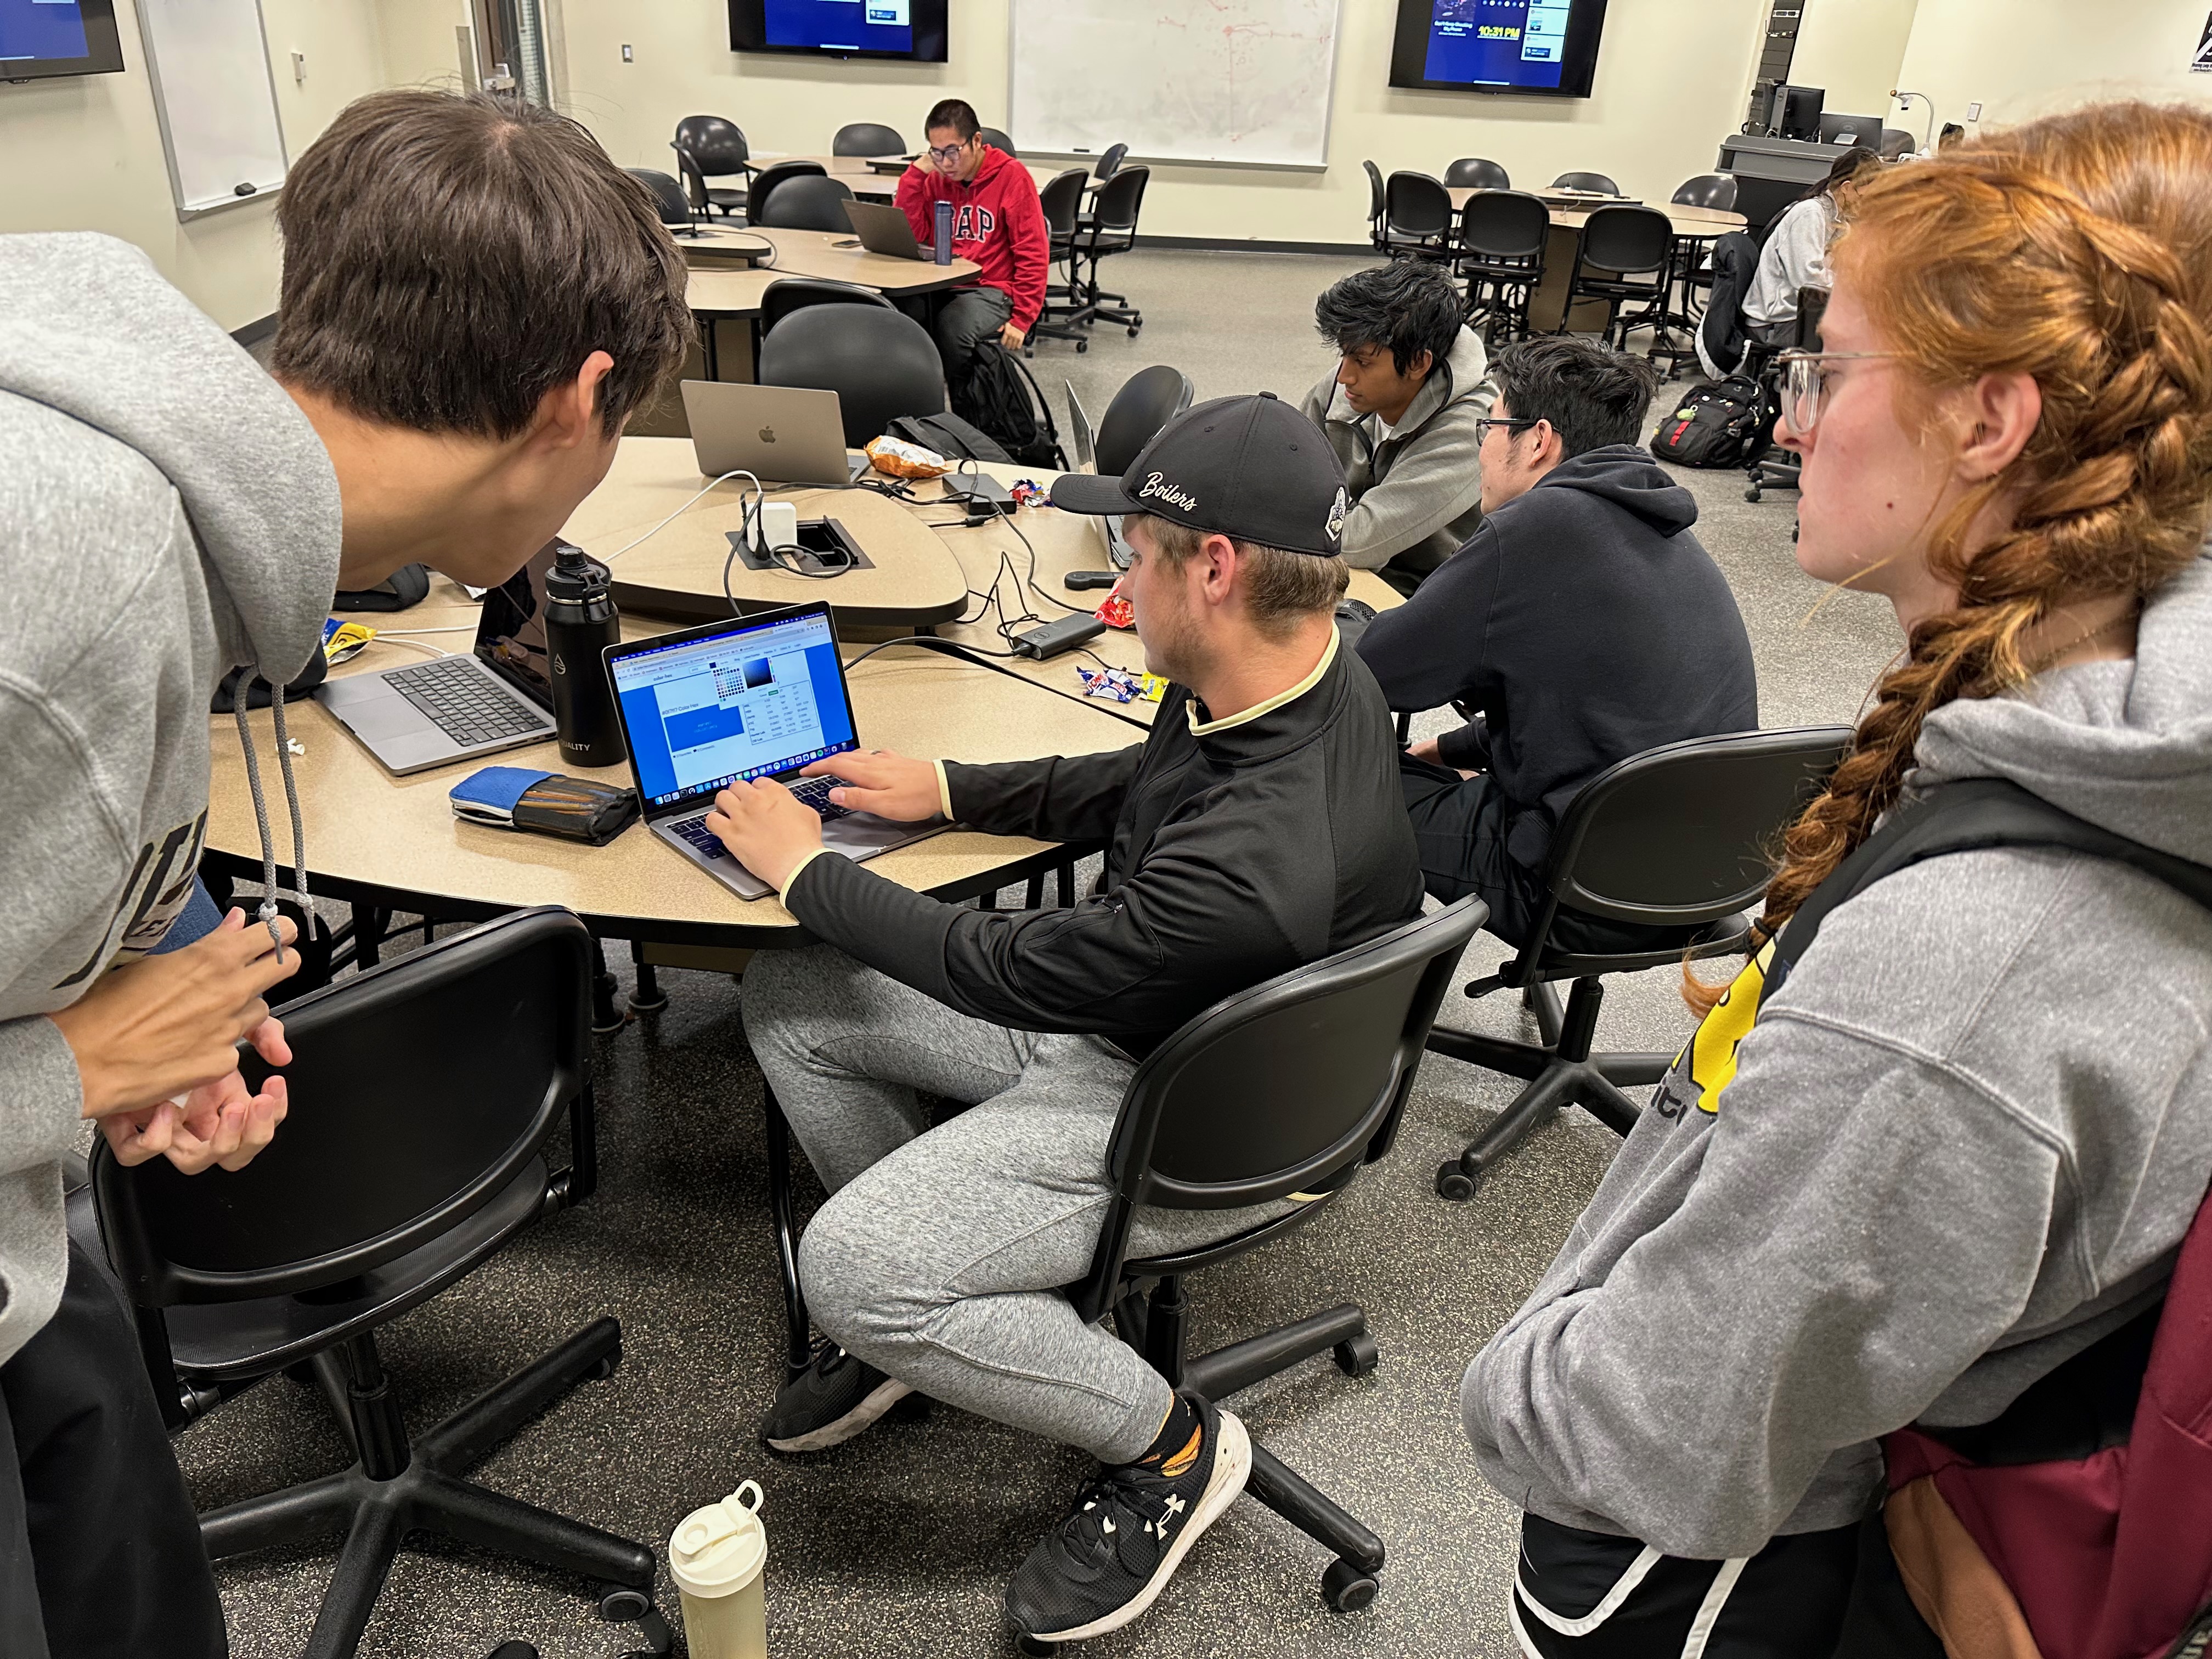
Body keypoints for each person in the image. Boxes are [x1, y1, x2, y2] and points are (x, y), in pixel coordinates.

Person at [1463, 101, 2212, 1651]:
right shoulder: (2118, 746)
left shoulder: (1960, 983)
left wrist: (1514, 1370)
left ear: (1991, 422)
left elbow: (1650, 1436)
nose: (1788, 421)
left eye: (1829, 368)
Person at [0, 89, 689, 1658]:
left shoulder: (162, 476)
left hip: (37, 1269)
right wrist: (64, 1066)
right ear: (580, 401)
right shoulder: (71, 597)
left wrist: (110, 964)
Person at [708, 394, 1423, 1646]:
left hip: (1201, 1122)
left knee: (848, 1266)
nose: (1112, 583)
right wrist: (952, 790)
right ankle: (926, 1316)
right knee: (795, 995)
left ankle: (1174, 1450)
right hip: (1175, 1026)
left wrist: (807, 874)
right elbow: (1148, 781)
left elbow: (1008, 968)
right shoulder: (1296, 658)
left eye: (1134, 554)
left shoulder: (1252, 866)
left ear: (1215, 567)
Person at [1355, 334, 1756, 950]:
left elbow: (1371, 671)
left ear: (1537, 440)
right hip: (1703, 881)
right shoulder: (1658, 524)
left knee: (1339, 779)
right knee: (1413, 769)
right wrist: (1454, 747)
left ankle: (1344, 987)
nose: (1481, 448)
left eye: (1489, 425)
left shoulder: (1536, 531)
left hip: (1580, 889)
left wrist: (1337, 618)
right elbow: (1596, 711)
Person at [1301, 258, 1497, 595]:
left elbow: (1362, 543)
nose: (1344, 376)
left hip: (1428, 593)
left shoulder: (1474, 427)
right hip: (1334, 567)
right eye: (1344, 356)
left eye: (1362, 361)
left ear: (1419, 362)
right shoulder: (1346, 385)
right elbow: (1280, 468)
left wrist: (1281, 517)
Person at [894, 98, 1049, 383]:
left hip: (993, 289)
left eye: (953, 151)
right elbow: (913, 238)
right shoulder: (936, 179)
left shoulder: (1012, 177)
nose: (946, 163)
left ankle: (966, 419)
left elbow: (1033, 252)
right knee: (897, 318)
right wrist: (914, 177)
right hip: (940, 281)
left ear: (976, 141)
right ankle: (917, 414)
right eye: (936, 153)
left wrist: (1024, 317)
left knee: (953, 329)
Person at [1743, 144, 1881, 343]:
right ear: (1847, 188)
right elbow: (1809, 284)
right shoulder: (1810, 215)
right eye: (1864, 197)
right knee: (1860, 340)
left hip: (1798, 313)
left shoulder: (1839, 220)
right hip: (1779, 320)